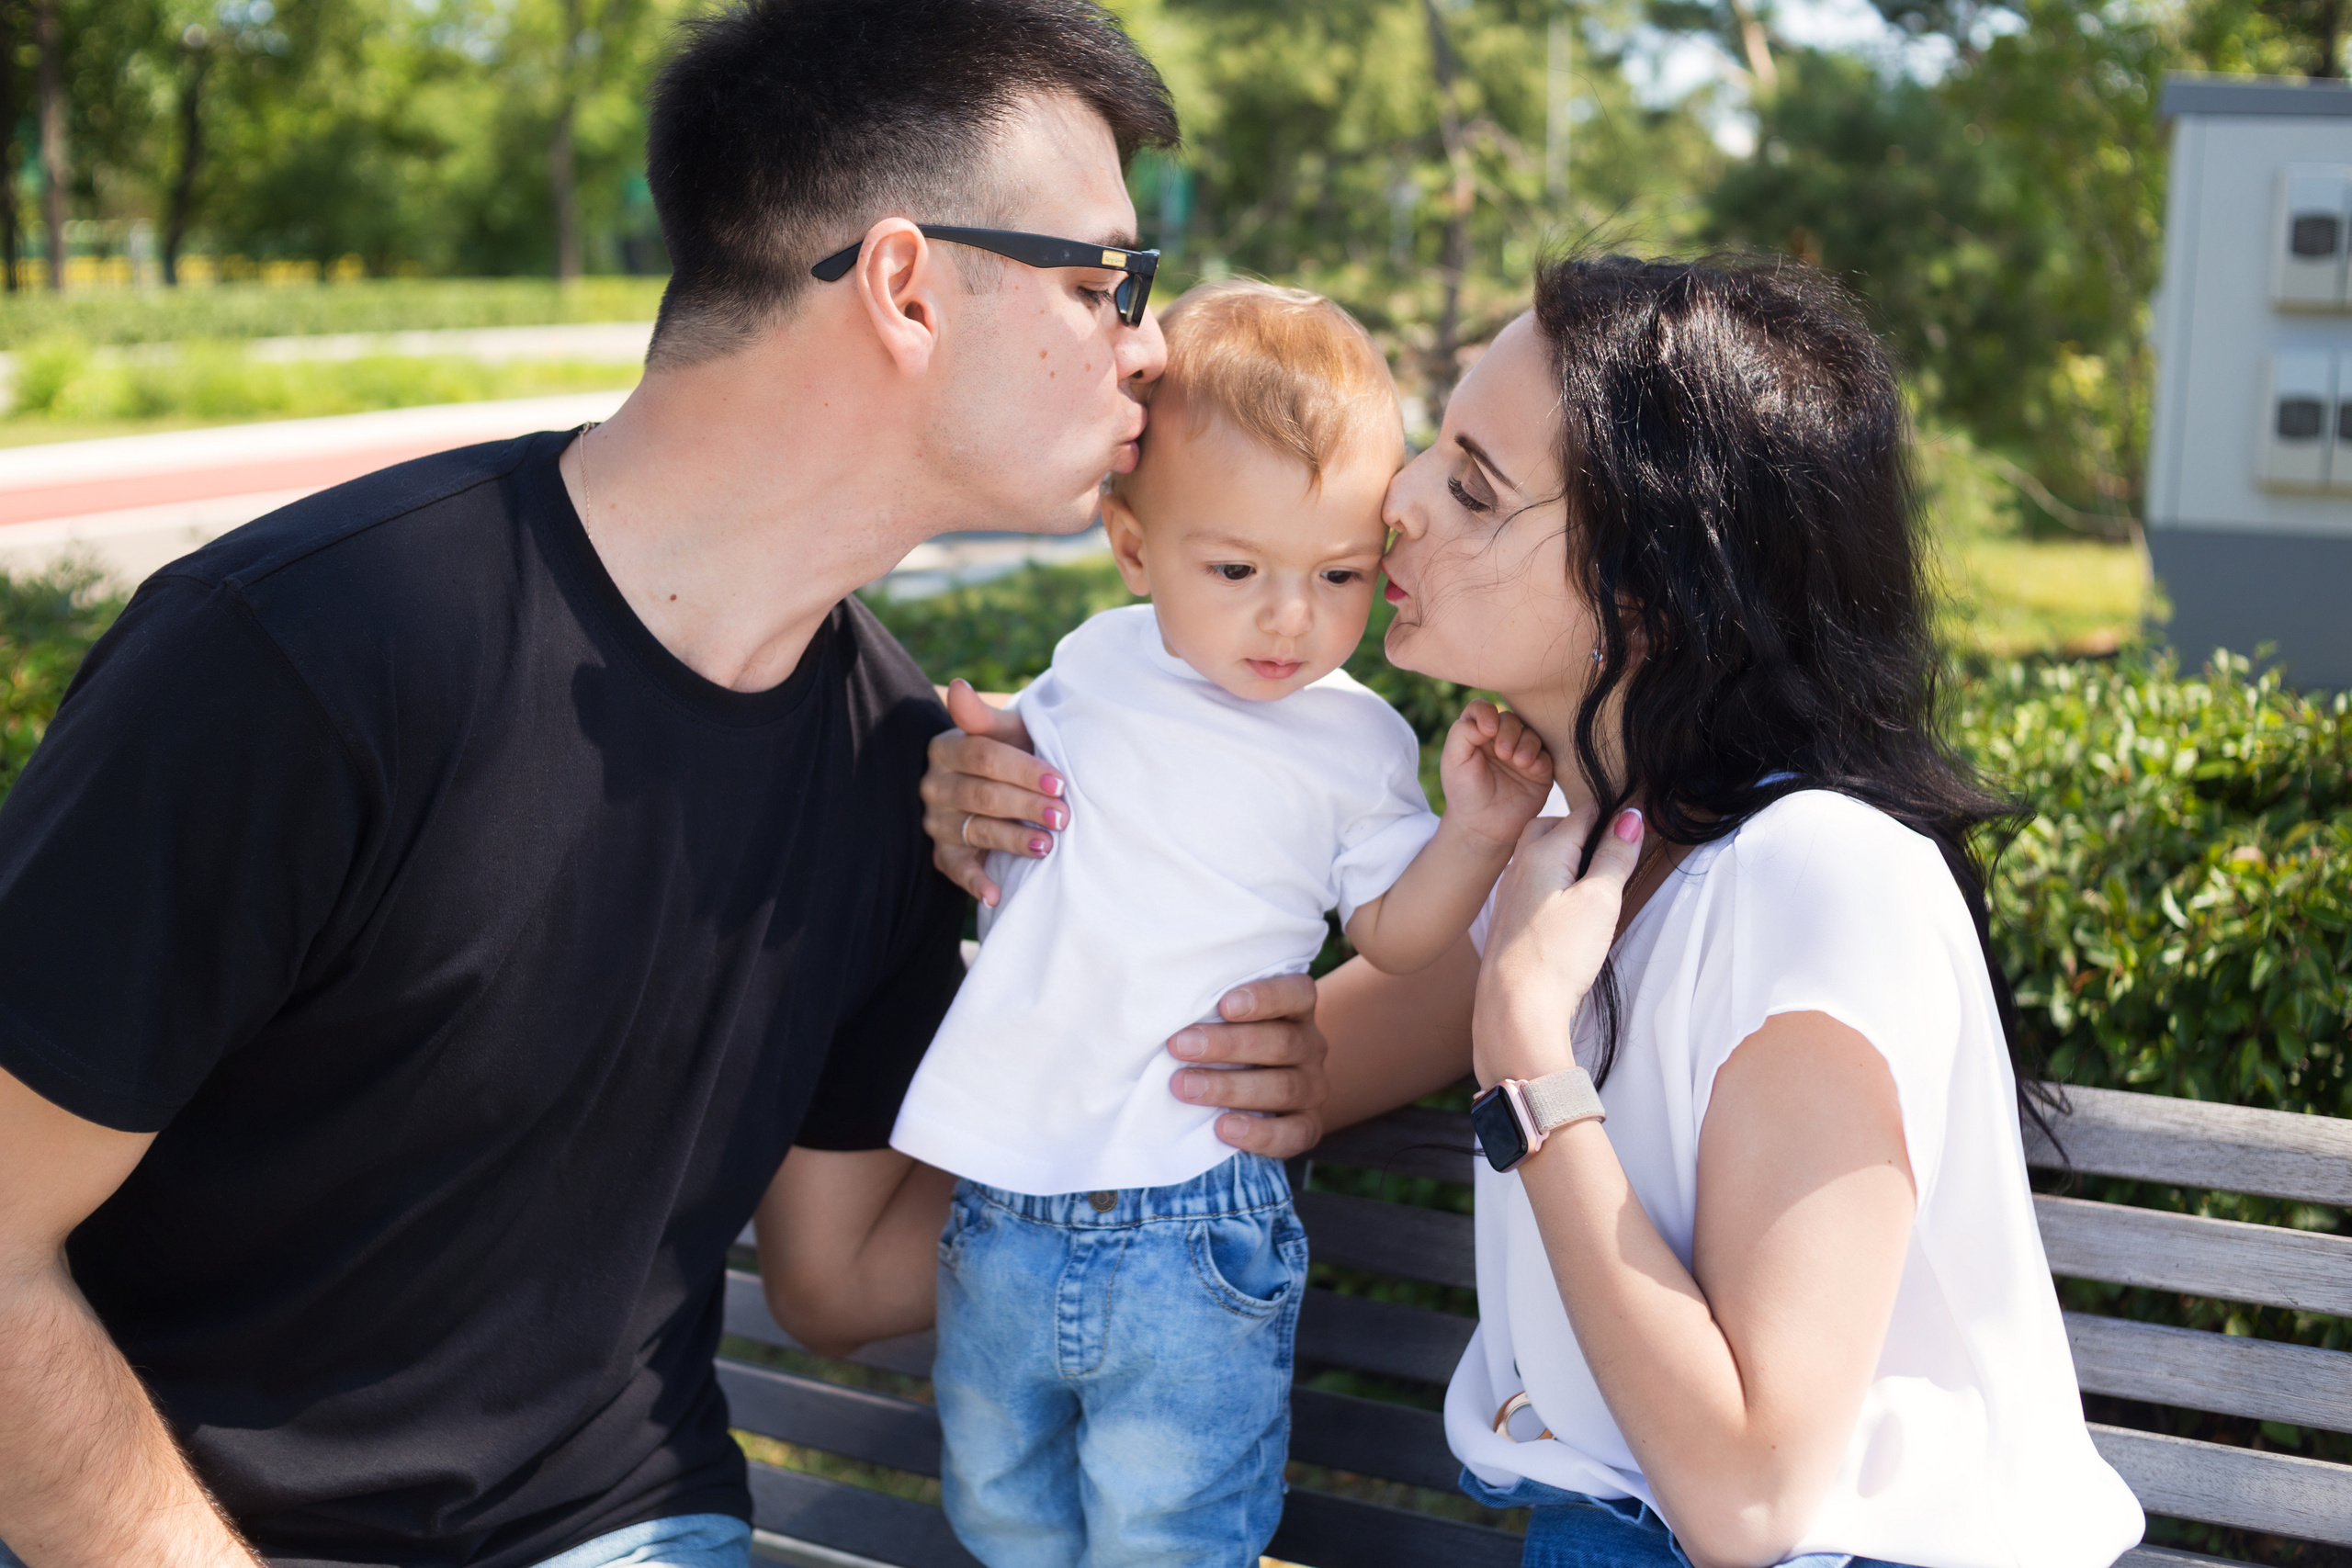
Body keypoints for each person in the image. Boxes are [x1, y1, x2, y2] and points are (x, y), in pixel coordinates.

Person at [0, 6, 1330, 1566]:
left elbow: (843, 1280)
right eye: (1103, 279)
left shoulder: (906, 768)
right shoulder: (309, 657)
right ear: (904, 288)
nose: (1150, 343)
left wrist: (1372, 1043)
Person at [922, 254, 2147, 1568]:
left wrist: (1522, 1049)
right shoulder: (1553, 859)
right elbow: (1258, 1069)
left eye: (1470, 482)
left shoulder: (1823, 878)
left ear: (1651, 589)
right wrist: (1031, 810)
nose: (1392, 501)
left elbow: (1749, 1503)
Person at [895, 280, 1554, 1567]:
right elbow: (1004, 767)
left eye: (1340, 574)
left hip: (1195, 1214)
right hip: (1004, 1198)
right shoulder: (1090, 661)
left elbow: (1397, 937)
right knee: (999, 1511)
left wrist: (1474, 833)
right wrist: (961, 764)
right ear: (1135, 550)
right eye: (1237, 569)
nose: (1290, 618)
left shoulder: (1353, 738)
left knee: (1174, 1530)